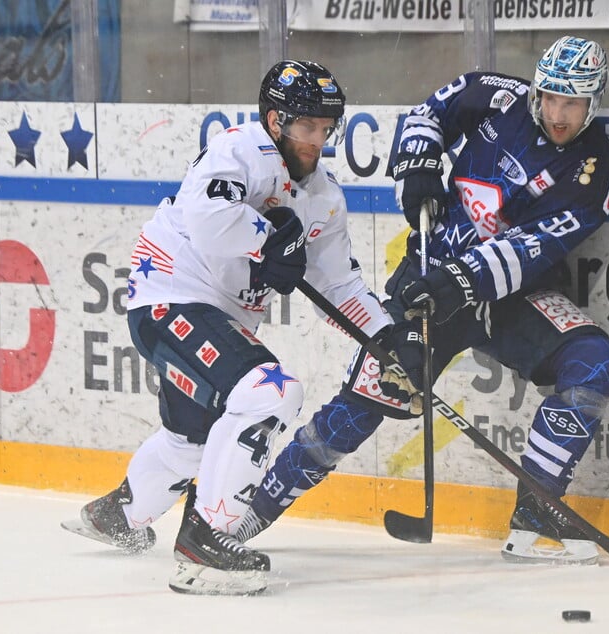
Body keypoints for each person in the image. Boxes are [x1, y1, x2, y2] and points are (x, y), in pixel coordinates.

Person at [237, 35, 609, 565]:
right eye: (551, 97)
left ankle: (536, 514)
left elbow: (534, 248)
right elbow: (429, 113)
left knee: (595, 363)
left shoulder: (594, 170)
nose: (557, 114)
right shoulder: (497, 94)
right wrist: (418, 163)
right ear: (537, 89)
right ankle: (246, 510)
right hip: (426, 285)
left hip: (511, 297)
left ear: (593, 102)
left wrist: (461, 278)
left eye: (572, 103)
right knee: (358, 409)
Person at [61, 60, 392, 594]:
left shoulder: (325, 199)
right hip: (168, 298)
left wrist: (389, 338)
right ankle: (205, 542)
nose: (316, 140)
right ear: (274, 120)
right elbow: (206, 219)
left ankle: (118, 516)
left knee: (192, 442)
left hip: (213, 317)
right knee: (272, 390)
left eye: (325, 129)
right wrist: (270, 240)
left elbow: (339, 288)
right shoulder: (240, 150)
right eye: (306, 126)